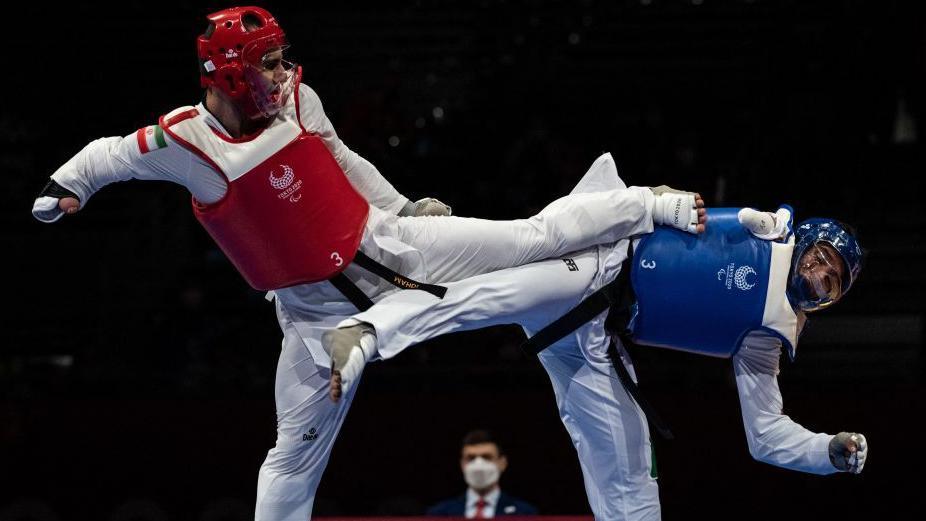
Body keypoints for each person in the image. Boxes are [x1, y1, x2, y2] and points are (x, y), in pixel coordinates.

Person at [30, 7, 707, 520]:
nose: (281, 72)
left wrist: (405, 207)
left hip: (388, 248)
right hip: (309, 317)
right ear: (231, 72)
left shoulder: (298, 97)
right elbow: (112, 154)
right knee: (292, 456)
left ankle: (650, 203)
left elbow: (343, 161)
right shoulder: (187, 142)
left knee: (531, 237)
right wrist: (67, 187)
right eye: (266, 63)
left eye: (279, 59)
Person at [335, 155, 869, 520]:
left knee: (629, 463)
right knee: (492, 292)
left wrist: (827, 451)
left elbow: (766, 435)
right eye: (821, 259)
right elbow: (698, 212)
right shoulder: (767, 230)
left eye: (833, 279)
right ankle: (370, 324)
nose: (820, 276)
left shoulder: (767, 340)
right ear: (802, 244)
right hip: (596, 251)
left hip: (593, 331)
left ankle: (392, 267)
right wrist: (663, 201)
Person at [427, 430, 538, 518]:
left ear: (502, 463)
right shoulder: (438, 513)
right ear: (462, 464)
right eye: (471, 458)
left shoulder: (525, 513)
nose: (478, 464)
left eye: (487, 457)